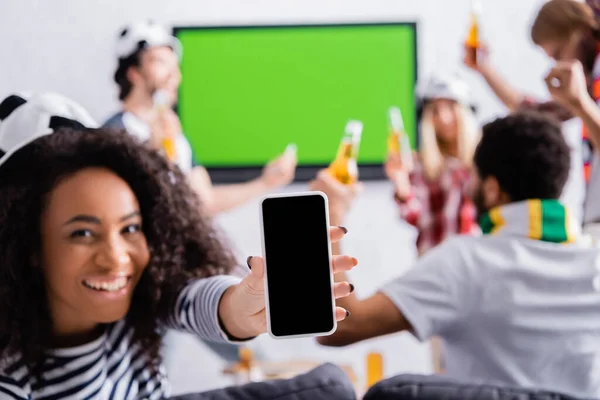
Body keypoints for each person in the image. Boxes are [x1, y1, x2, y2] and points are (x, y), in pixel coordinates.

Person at [0, 92, 357, 400]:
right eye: (82, 233)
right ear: (24, 244)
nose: (116, 258)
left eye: (130, 227)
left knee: (330, 386)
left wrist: (241, 305)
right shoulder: (12, 379)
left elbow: (194, 298)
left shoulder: (141, 302)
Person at [312, 111, 600, 398]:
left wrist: (330, 214)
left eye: (472, 174)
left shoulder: (467, 262)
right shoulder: (595, 258)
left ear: (492, 189)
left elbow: (340, 326)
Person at [103, 21, 296, 217]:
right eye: (160, 62)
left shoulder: (176, 135)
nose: (174, 75)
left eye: (175, 66)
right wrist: (154, 153)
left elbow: (204, 203)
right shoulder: (111, 135)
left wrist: (265, 182)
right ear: (134, 72)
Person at [464, 0, 600, 227]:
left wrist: (581, 104)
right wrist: (484, 69)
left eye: (558, 53)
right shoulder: (589, 85)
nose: (561, 64)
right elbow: (533, 111)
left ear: (581, 31)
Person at [384, 72, 481, 256]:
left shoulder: (482, 160)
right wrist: (400, 180)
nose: (443, 118)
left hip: (474, 262)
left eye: (451, 107)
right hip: (432, 262)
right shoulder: (421, 164)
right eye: (435, 110)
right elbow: (416, 218)